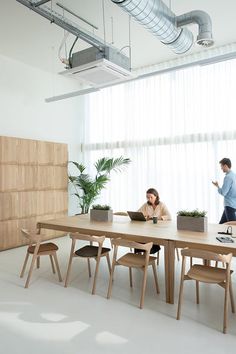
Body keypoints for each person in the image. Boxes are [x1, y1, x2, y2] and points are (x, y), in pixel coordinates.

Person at [135, 188, 171, 254]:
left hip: (159, 231)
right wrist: (145, 217)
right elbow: (138, 213)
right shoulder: (146, 205)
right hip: (148, 230)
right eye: (147, 197)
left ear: (156, 196)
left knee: (145, 240)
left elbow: (169, 216)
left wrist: (158, 218)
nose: (149, 199)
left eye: (151, 197)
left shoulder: (161, 205)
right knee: (138, 238)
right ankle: (140, 257)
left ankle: (151, 249)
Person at [212, 158, 236, 224]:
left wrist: (218, 187)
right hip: (233, 204)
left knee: (233, 226)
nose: (221, 168)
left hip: (229, 205)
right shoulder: (234, 175)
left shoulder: (228, 177)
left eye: (221, 166)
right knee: (221, 225)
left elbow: (223, 193)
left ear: (225, 165)